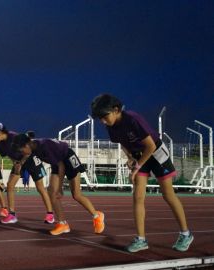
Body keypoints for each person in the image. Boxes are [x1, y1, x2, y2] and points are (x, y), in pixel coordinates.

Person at [91, 93, 193, 252]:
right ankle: (141, 240)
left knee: (168, 194)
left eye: (104, 116)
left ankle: (186, 234)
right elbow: (122, 143)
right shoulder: (111, 127)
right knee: (137, 197)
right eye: (100, 118)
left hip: (156, 151)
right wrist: (130, 158)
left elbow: (151, 146)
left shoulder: (132, 119)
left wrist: (136, 167)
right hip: (139, 155)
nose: (103, 121)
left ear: (116, 109)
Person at [12, 133, 105, 236]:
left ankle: (97, 216)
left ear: (26, 145)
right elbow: (27, 155)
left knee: (76, 195)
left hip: (68, 159)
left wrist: (60, 187)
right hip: (57, 162)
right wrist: (19, 163)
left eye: (21, 150)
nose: (22, 153)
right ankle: (62, 224)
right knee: (51, 192)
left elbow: (61, 166)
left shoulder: (44, 146)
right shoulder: (33, 146)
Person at [0, 122, 54, 224]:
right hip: (19, 162)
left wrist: (21, 163)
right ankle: (12, 215)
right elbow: (8, 154)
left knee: (40, 187)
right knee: (10, 185)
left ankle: (50, 214)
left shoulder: (14, 137)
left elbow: (29, 151)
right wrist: (16, 163)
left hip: (31, 159)